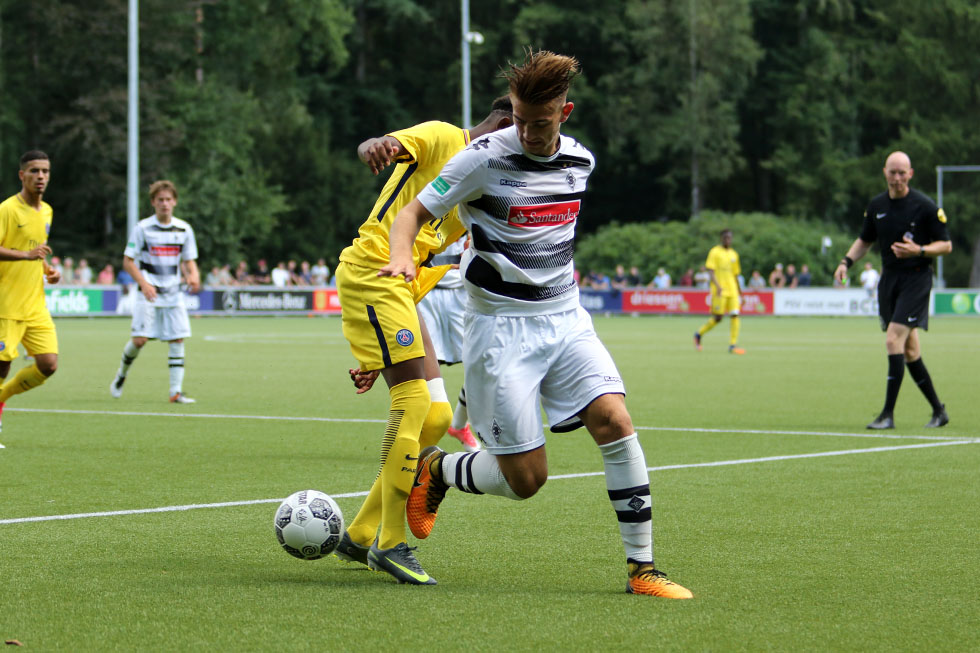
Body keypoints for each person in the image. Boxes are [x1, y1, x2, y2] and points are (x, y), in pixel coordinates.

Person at [382, 49, 692, 599]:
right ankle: (438, 470)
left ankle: (642, 569)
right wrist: (404, 254)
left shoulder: (581, 162)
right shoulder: (480, 159)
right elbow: (411, 215)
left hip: (565, 318)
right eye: (520, 119)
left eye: (539, 122)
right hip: (499, 330)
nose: (525, 131)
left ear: (564, 114)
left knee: (615, 419)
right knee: (526, 482)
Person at [332, 96, 513, 585]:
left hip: (402, 290)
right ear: (501, 123)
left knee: (434, 415)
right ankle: (389, 544)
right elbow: (389, 144)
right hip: (374, 272)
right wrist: (374, 145)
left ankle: (361, 531)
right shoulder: (444, 136)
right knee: (413, 403)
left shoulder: (478, 184)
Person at [834, 151, 951, 429]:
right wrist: (845, 262)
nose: (897, 178)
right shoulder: (876, 205)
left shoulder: (924, 206)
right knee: (909, 350)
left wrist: (919, 250)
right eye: (892, 172)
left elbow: (946, 245)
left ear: (911, 174)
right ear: (884, 172)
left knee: (892, 340)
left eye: (902, 173)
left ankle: (887, 414)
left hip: (916, 278)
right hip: (889, 281)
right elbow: (865, 240)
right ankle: (939, 410)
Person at [109, 180, 201, 403]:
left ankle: (175, 392)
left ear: (175, 202)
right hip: (148, 292)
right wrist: (144, 283)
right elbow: (128, 261)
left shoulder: (184, 229)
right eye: (160, 200)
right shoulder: (142, 228)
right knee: (140, 340)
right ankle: (121, 375)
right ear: (153, 202)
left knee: (177, 339)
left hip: (173, 293)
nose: (165, 204)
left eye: (169, 199)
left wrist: (194, 276)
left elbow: (189, 260)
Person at [0, 151, 62, 440]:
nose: (41, 176)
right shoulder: (7, 209)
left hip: (35, 304)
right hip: (6, 304)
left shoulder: (47, 211)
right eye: (34, 171)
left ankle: (3, 398)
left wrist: (48, 269)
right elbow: (24, 250)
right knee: (2, 365)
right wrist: (26, 255)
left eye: (45, 171)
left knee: (48, 365)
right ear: (21, 175)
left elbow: (37, 249)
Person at [415, 235, 480, 452]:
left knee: (482, 361)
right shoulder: (418, 204)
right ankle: (417, 435)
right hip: (426, 291)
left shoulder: (472, 206)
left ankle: (460, 424)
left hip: (461, 292)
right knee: (422, 367)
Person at [694, 228, 745, 354]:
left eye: (730, 238)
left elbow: (735, 275)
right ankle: (699, 334)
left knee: (735, 314)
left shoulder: (734, 254)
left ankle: (733, 345)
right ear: (721, 238)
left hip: (732, 289)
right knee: (718, 318)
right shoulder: (715, 252)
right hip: (720, 290)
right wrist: (717, 286)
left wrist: (740, 293)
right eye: (725, 237)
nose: (728, 240)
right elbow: (710, 271)